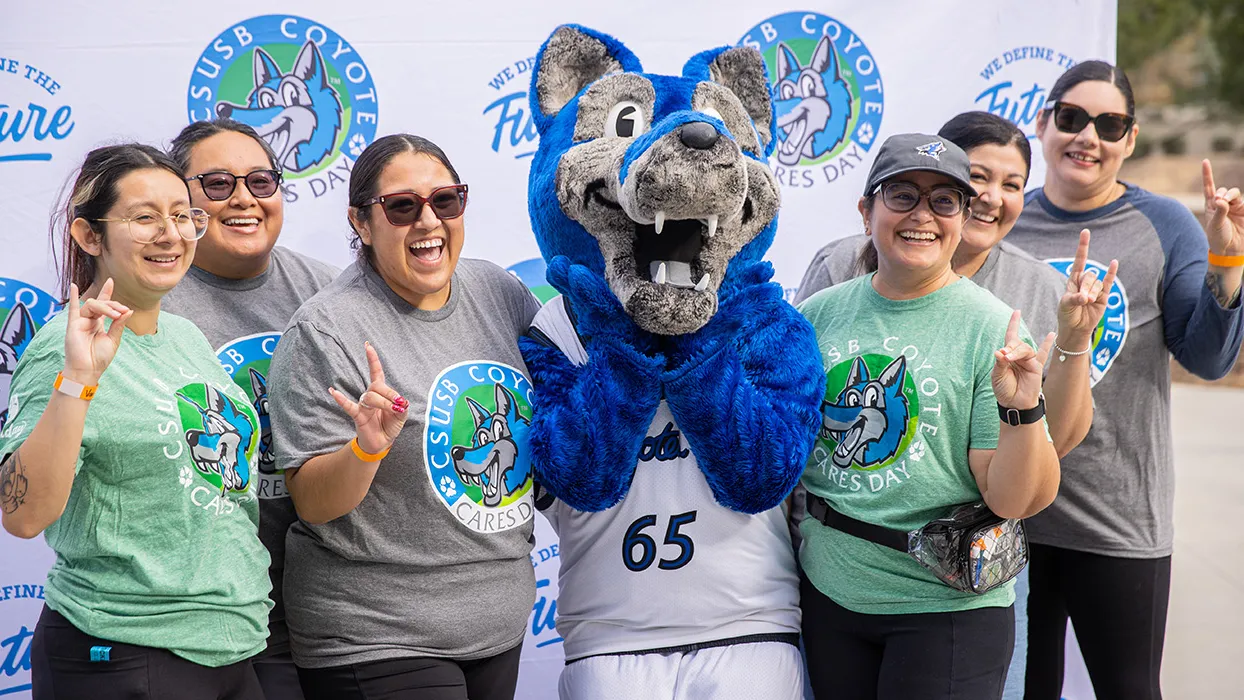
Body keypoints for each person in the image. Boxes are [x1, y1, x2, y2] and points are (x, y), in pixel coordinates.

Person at [794, 111, 1115, 698]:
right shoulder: (819, 314)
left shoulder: (991, 326)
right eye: (902, 195)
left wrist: (1023, 412)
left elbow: (1015, 499)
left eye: (944, 201)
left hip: (943, 607)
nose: (922, 215)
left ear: (963, 221)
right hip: (828, 592)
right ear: (867, 211)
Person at [266, 134, 541, 700]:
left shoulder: (500, 292)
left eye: (446, 200)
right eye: (402, 206)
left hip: (497, 624)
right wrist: (366, 447)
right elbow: (315, 503)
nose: (428, 221)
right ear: (361, 223)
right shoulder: (326, 330)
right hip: (376, 636)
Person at [1001, 60, 1244, 700]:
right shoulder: (1006, 222)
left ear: (1130, 141)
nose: (1089, 137)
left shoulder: (1164, 225)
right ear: (1044, 122)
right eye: (1073, 118)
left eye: (1110, 125)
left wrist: (1227, 260)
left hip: (1115, 518)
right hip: (1010, 511)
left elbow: (1209, 360)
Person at [0, 144, 271, 699]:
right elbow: (22, 516)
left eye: (182, 214)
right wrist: (78, 379)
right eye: (145, 218)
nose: (171, 234)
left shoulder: (186, 337)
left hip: (231, 647)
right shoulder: (63, 350)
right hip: (125, 652)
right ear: (89, 236)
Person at [162, 118, 339, 700]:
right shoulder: (147, 298)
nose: (243, 198)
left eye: (261, 181)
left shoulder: (333, 294)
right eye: (217, 184)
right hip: (196, 613)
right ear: (178, 198)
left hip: (327, 605)